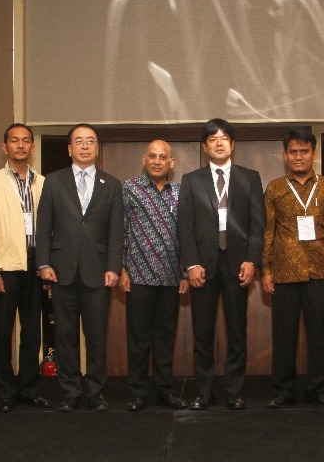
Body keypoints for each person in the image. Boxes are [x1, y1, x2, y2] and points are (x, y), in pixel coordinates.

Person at [177, 119, 265, 411]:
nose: (218, 142)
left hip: (238, 264)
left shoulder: (250, 178)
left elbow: (257, 224)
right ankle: (204, 392)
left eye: (224, 137)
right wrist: (191, 264)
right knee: (203, 332)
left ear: (232, 144)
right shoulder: (191, 180)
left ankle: (234, 391)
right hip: (203, 266)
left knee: (237, 331)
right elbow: (185, 226)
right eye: (212, 138)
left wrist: (252, 260)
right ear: (205, 146)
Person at [36, 123, 123, 412]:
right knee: (65, 335)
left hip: (98, 271)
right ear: (69, 149)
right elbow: (44, 225)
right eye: (79, 141)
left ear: (97, 148)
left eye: (90, 141)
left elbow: (116, 231)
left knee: (96, 336)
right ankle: (71, 391)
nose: (85, 146)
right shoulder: (53, 181)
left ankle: (95, 391)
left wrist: (114, 266)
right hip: (61, 270)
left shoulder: (112, 184)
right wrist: (43, 262)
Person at [261, 126, 324, 409]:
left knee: (319, 337)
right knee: (284, 337)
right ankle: (282, 392)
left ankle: (318, 391)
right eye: (293, 152)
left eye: (304, 151)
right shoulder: (275, 188)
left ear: (314, 153)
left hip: (320, 272)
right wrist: (266, 270)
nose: (298, 157)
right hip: (284, 273)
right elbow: (268, 232)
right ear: (285, 155)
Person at [0, 123, 47, 413]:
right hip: (5, 267)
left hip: (35, 266)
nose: (20, 145)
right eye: (14, 141)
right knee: (3, 331)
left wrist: (46, 264)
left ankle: (28, 389)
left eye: (26, 141)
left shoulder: (42, 183)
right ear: (4, 147)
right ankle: (5, 391)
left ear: (32, 147)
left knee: (32, 332)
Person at [120, 140, 188, 411]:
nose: (157, 161)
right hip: (138, 276)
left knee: (164, 339)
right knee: (138, 340)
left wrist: (185, 273)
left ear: (171, 163)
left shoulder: (180, 192)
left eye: (162, 157)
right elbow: (122, 230)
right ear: (144, 160)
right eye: (152, 156)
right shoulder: (129, 189)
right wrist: (122, 268)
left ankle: (165, 392)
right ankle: (137, 393)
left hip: (171, 277)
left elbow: (186, 234)